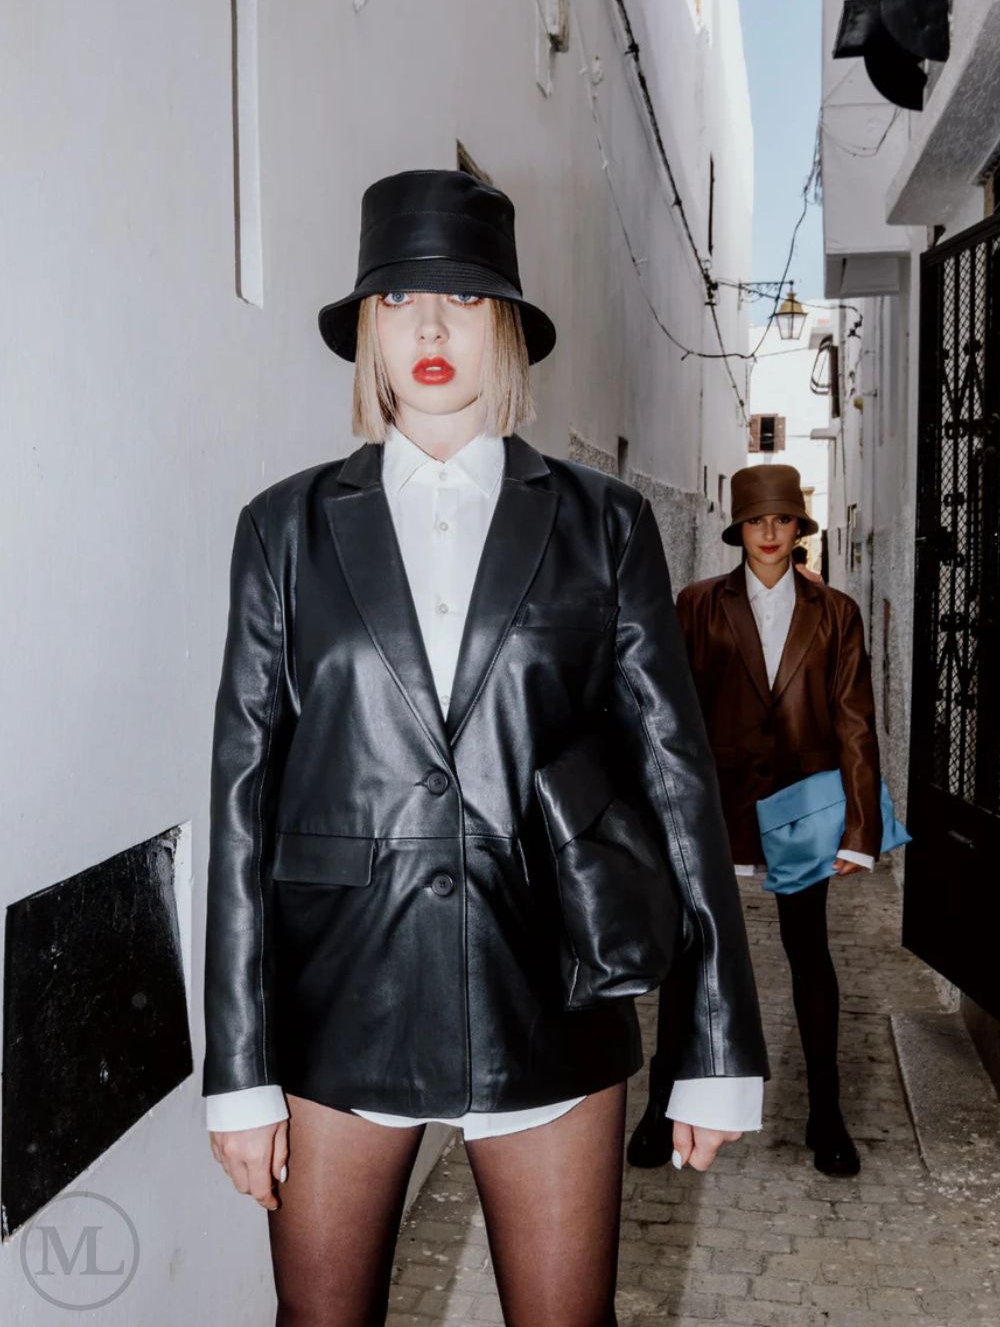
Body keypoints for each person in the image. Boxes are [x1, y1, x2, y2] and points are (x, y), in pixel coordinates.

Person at [202, 168, 769, 1325]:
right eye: (399, 295)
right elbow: (238, 804)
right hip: (338, 1002)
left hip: (547, 987)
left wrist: (713, 1037)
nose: (427, 324)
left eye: (461, 298)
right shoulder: (285, 530)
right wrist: (237, 1068)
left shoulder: (604, 525)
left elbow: (675, 775)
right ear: (366, 326)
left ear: (503, 325)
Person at [628, 464, 880, 1179]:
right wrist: (660, 812)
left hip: (805, 801)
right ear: (738, 529)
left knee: (809, 955)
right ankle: (660, 1105)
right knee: (687, 958)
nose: (770, 532)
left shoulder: (837, 612)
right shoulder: (697, 604)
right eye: (757, 520)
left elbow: (855, 724)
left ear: (800, 528)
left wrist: (860, 831)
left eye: (783, 519)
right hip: (715, 800)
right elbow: (666, 713)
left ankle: (826, 1112)